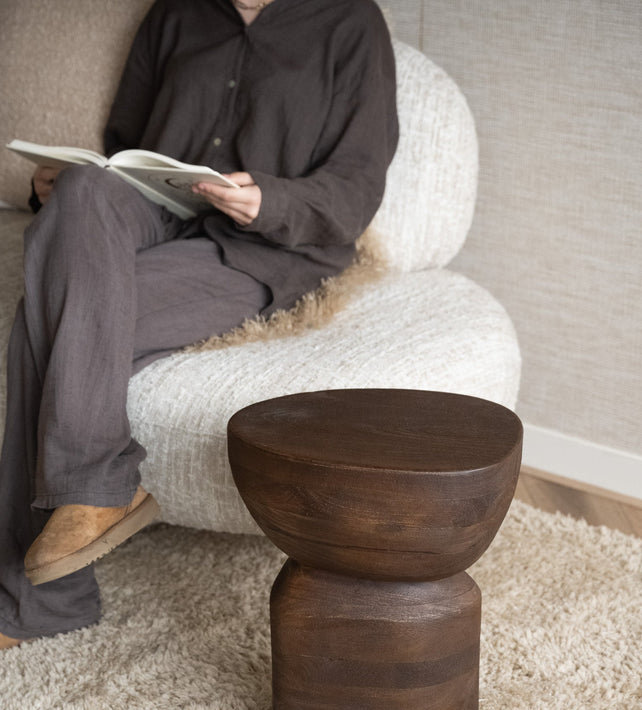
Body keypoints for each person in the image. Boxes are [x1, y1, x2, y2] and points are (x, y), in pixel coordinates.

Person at [0, 0, 398, 649]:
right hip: (160, 212)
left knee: (51, 308)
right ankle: (97, 494)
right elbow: (124, 142)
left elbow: (356, 188)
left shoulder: (350, 22)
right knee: (84, 189)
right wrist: (59, 185)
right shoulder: (175, 12)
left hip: (262, 244)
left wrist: (271, 200)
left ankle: (44, 592)